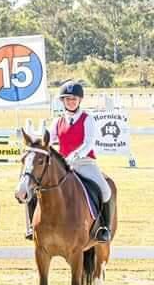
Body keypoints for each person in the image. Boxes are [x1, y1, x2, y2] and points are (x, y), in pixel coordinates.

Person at [41, 80, 113, 242]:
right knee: (36, 187)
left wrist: (74, 156)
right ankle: (33, 226)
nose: (71, 102)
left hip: (84, 163)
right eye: (67, 99)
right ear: (63, 101)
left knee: (106, 190)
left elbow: (88, 143)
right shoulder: (57, 122)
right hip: (62, 165)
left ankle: (103, 228)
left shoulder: (88, 119)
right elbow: (50, 142)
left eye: (74, 99)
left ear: (80, 100)